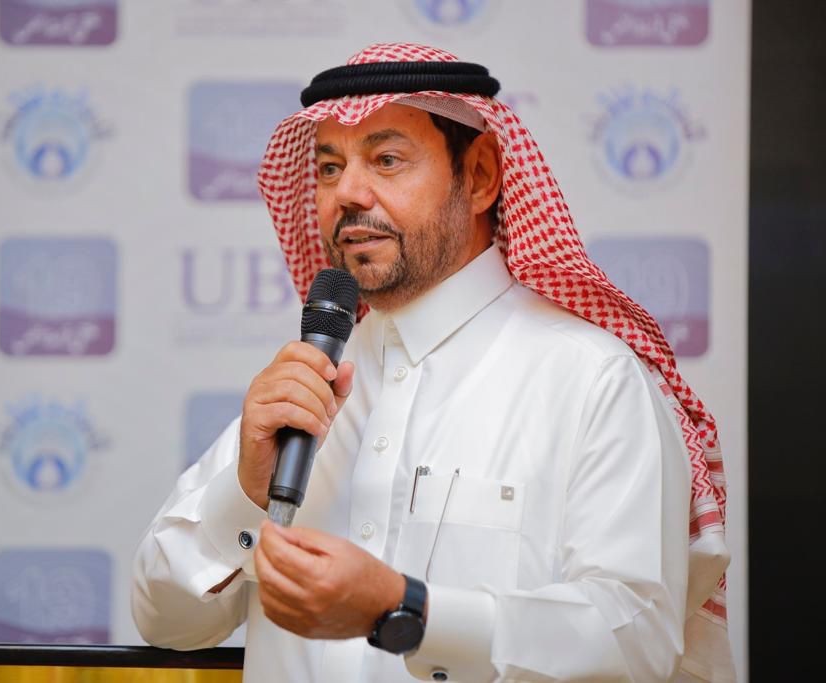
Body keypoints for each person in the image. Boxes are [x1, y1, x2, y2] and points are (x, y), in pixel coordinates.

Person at [132, 43, 734, 682]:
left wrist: (408, 611)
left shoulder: (591, 379)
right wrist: (246, 492)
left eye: (386, 160)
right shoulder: (310, 384)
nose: (347, 193)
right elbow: (164, 622)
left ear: (479, 178)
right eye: (330, 167)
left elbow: (635, 643)